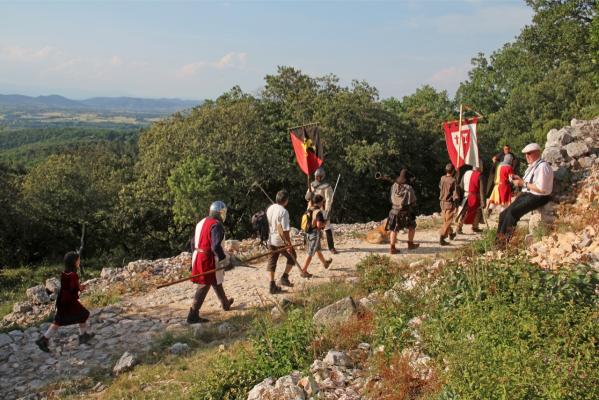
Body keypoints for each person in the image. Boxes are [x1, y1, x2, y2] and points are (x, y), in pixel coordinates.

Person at [35, 251, 94, 352]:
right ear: (73, 262)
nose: (79, 262)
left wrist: (78, 287)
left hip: (63, 300)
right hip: (68, 301)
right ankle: (43, 340)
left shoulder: (65, 272)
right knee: (75, 316)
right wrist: (80, 288)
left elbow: (67, 287)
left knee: (78, 315)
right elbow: (72, 288)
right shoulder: (73, 275)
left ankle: (83, 335)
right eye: (78, 260)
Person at [496, 143, 553, 245]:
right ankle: (498, 241)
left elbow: (542, 189)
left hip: (538, 196)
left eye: (529, 153)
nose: (526, 156)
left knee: (513, 213)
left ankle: (502, 244)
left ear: (537, 153)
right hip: (529, 194)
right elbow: (530, 183)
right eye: (526, 154)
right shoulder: (534, 166)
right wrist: (519, 179)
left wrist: (523, 183)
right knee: (503, 214)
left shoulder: (543, 166)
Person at [187, 201, 234, 324]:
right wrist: (224, 260)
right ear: (221, 213)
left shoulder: (201, 222)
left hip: (198, 255)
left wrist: (194, 259)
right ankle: (193, 314)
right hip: (208, 258)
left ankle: (225, 304)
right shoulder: (216, 225)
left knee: (215, 281)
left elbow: (192, 243)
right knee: (204, 284)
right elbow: (216, 246)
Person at [266, 190, 298, 294]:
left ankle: (272, 285)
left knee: (272, 261)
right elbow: (285, 230)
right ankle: (284, 277)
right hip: (280, 241)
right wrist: (289, 244)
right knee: (292, 255)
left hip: (271, 239)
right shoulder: (284, 212)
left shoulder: (270, 208)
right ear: (286, 201)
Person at [385, 169, 420, 254]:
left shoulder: (393, 186)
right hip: (405, 212)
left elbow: (391, 198)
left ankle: (392, 248)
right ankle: (410, 244)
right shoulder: (409, 188)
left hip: (393, 211)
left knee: (393, 230)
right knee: (412, 226)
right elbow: (413, 201)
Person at [306, 167, 338, 254]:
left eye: (318, 176)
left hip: (321, 209)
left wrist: (327, 211)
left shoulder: (327, 186)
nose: (316, 178)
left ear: (322, 176)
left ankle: (331, 247)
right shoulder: (312, 185)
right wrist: (309, 194)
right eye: (316, 176)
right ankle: (309, 245)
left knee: (327, 227)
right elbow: (307, 198)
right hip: (312, 209)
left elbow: (328, 199)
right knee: (310, 227)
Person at [301, 194, 333, 276]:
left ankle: (325, 263)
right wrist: (325, 222)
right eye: (322, 202)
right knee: (310, 253)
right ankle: (303, 271)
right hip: (314, 234)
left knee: (318, 249)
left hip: (307, 233)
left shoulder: (309, 209)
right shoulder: (318, 212)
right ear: (319, 202)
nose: (323, 203)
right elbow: (319, 225)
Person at [456, 166, 483, 234]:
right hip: (474, 196)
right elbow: (482, 190)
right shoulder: (479, 175)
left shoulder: (466, 173)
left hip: (466, 195)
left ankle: (474, 227)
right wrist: (483, 201)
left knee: (465, 212)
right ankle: (459, 227)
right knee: (472, 212)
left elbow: (461, 186)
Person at [439, 163, 460, 246]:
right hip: (449, 202)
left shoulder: (442, 178)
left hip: (442, 202)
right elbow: (455, 195)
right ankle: (442, 236)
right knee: (448, 221)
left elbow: (440, 187)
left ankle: (451, 234)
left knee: (445, 219)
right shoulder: (453, 181)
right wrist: (457, 205)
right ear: (453, 171)